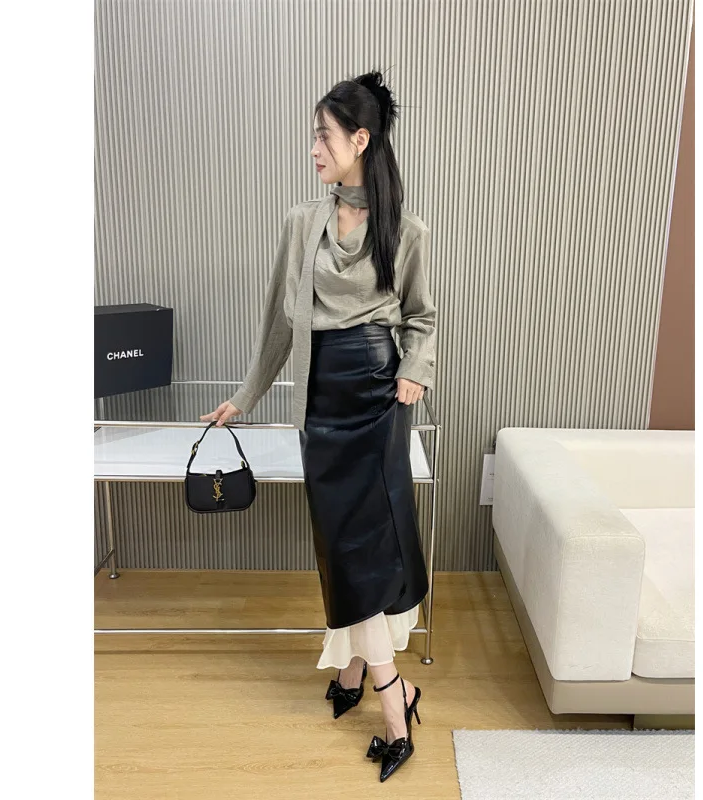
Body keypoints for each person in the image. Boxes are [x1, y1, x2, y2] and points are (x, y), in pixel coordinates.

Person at [201, 69, 436, 783]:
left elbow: (421, 317)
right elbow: (280, 320)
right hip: (322, 403)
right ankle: (364, 672)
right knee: (341, 545)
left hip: (378, 398)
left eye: (323, 136)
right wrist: (246, 395)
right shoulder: (301, 224)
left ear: (359, 140)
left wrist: (415, 369)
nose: (313, 149)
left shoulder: (406, 230)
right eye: (313, 136)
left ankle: (391, 701)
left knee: (366, 547)